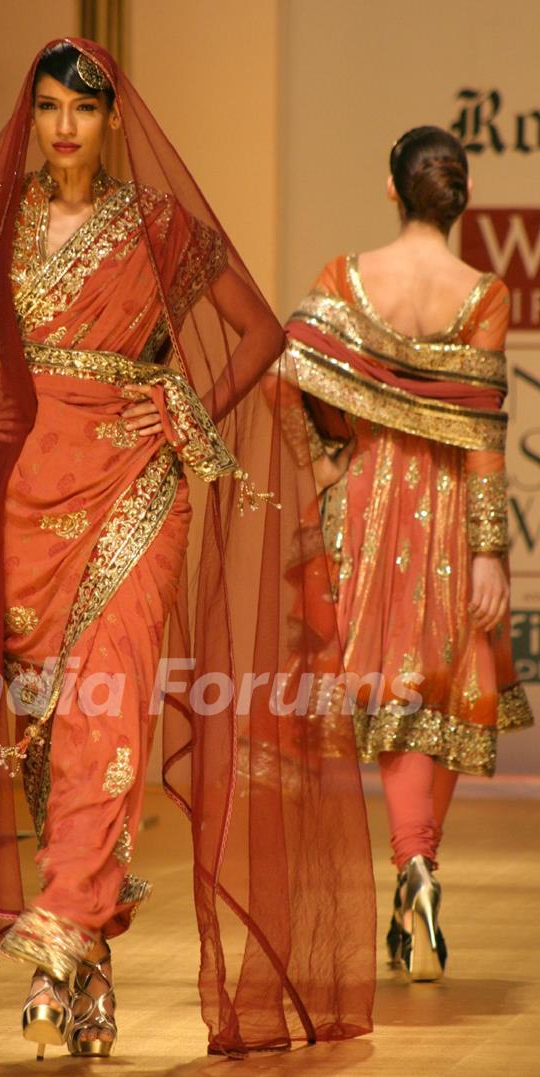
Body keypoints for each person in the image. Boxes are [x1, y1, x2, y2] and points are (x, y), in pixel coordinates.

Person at [0, 38, 375, 1058]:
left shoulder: (159, 227)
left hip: (135, 485)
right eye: (46, 109)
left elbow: (259, 336)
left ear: (114, 117)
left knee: (110, 700)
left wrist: (181, 419)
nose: (63, 127)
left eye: (82, 109)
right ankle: (88, 975)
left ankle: (56, 943)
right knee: (50, 733)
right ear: (31, 117)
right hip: (26, 489)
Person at [277, 125, 533, 983]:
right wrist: (493, 553)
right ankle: (420, 863)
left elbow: (299, 384)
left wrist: (329, 464)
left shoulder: (345, 279)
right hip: (454, 513)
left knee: (391, 689)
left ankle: (412, 867)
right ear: (457, 197)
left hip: (369, 504)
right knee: (450, 694)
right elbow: (484, 433)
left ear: (393, 188)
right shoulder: (483, 292)